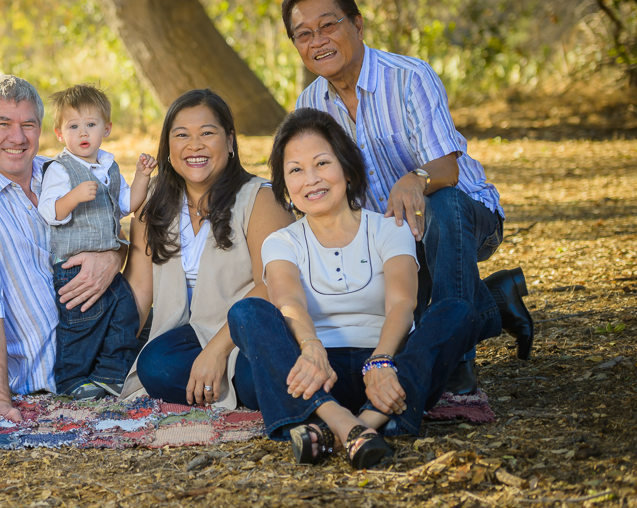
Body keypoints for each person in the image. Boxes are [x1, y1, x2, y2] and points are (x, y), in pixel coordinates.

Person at [281, 0, 534, 395]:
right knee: (404, 332)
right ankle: (494, 301)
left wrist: (415, 179)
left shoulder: (409, 77)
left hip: (462, 221)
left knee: (444, 203)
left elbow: (448, 171)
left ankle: (457, 366)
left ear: (358, 25)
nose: (318, 41)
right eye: (304, 34)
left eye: (328, 25)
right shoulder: (309, 106)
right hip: (391, 241)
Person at [228, 108, 479, 469]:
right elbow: (288, 298)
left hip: (382, 370)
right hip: (311, 370)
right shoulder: (281, 241)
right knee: (246, 312)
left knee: (457, 311)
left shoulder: (388, 228)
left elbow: (402, 303)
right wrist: (310, 347)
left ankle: (328, 426)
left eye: (322, 163)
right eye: (295, 170)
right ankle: (355, 425)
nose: (310, 179)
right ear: (285, 185)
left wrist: (381, 360)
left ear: (347, 168)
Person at [0, 75, 124, 424]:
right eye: (3, 124)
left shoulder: (58, 170)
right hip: (51, 373)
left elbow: (112, 218)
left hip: (107, 338)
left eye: (28, 125)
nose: (18, 137)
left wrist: (113, 256)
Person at [120, 89, 295, 409]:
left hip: (249, 334)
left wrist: (217, 350)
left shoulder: (259, 199)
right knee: (154, 364)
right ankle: (239, 386)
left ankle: (236, 381)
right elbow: (139, 293)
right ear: (168, 148)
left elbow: (273, 287)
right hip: (186, 338)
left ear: (230, 142)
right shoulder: (153, 204)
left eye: (207, 133)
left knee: (249, 371)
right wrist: (106, 352)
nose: (195, 144)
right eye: (182, 134)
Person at [38, 84, 157, 399]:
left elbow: (127, 204)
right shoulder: (61, 169)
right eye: (73, 126)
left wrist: (143, 176)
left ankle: (110, 372)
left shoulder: (109, 167)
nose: (83, 133)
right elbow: (49, 211)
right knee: (80, 324)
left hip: (108, 263)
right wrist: (73, 197)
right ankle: (71, 379)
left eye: (90, 124)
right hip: (72, 266)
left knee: (126, 311)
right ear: (60, 134)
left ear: (107, 128)